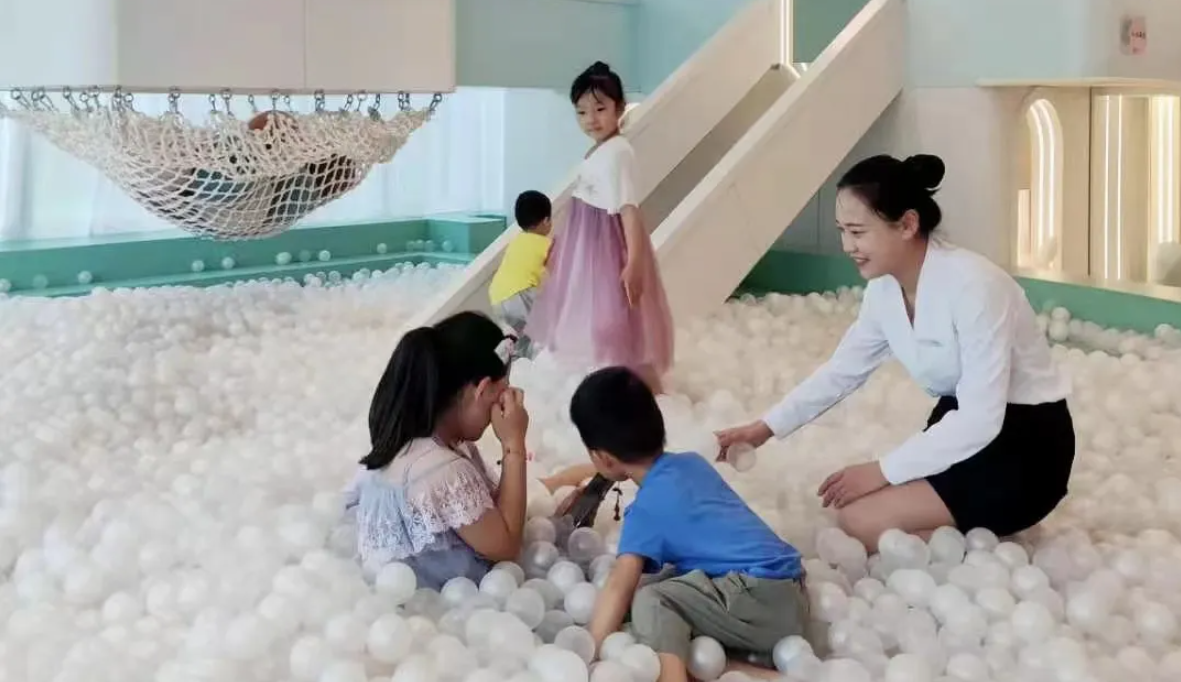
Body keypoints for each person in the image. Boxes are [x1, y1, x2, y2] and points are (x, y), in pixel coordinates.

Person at [716, 154, 1075, 552]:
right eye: (842, 231)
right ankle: (974, 531)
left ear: (907, 224)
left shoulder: (976, 287)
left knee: (860, 520)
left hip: (1025, 445)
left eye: (857, 232)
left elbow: (981, 419)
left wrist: (882, 470)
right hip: (956, 423)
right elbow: (842, 371)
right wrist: (763, 429)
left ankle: (991, 537)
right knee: (855, 514)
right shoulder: (884, 290)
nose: (847, 246)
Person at [575, 367, 808, 682]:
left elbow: (620, 584)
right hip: (790, 593)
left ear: (603, 458)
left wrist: (589, 655)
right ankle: (753, 673)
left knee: (651, 601)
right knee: (664, 600)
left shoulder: (646, 510)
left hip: (760, 600)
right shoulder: (691, 463)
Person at [343, 311, 598, 589]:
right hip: (444, 601)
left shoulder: (410, 442)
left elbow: (495, 507)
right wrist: (513, 444)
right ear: (483, 389)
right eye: (502, 395)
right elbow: (507, 548)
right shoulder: (444, 469)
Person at [525, 61, 675, 394]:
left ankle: (636, 385)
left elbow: (629, 209)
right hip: (588, 246)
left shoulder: (619, 153)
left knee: (615, 318)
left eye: (600, 109)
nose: (591, 119)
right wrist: (562, 245)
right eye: (581, 112)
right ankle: (608, 380)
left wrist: (634, 262)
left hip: (606, 248)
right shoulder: (601, 149)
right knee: (592, 316)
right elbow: (585, 202)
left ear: (620, 108)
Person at [489, 190, 554, 359]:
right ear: (546, 221)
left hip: (497, 296)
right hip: (520, 292)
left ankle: (512, 361)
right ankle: (540, 360)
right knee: (544, 327)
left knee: (517, 336)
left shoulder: (517, 240)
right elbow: (558, 272)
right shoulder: (546, 244)